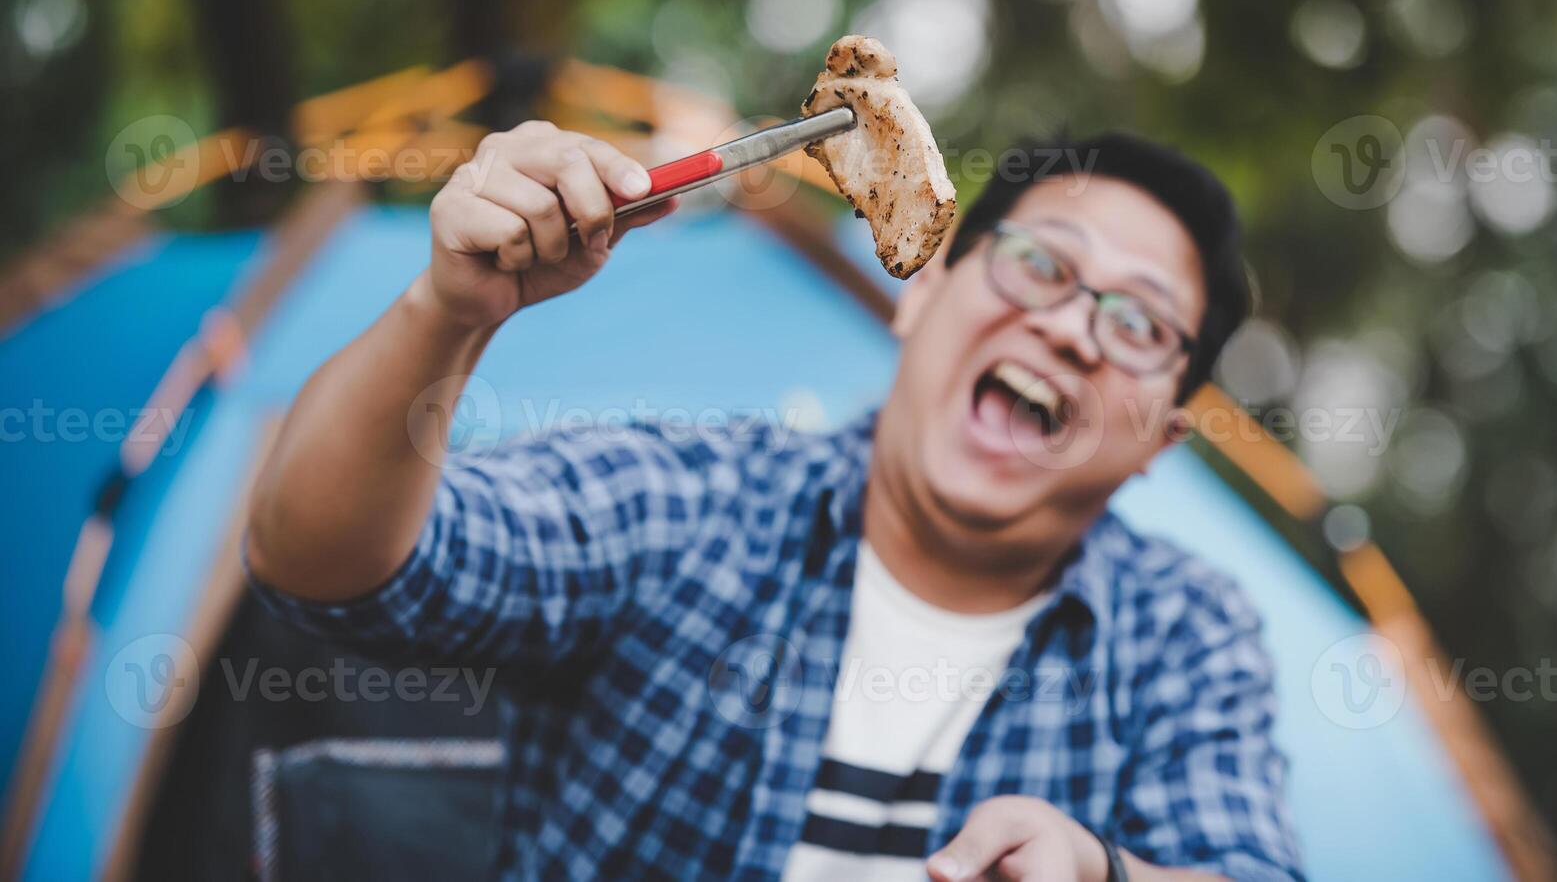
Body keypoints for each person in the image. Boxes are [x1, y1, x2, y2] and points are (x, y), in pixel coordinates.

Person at [243, 120, 1303, 881]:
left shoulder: (1184, 632)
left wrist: (1100, 872)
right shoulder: (695, 506)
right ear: (920, 292)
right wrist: (445, 310)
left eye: (1138, 325)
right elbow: (325, 565)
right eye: (1039, 264)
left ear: (1163, 433)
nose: (1073, 328)